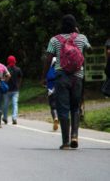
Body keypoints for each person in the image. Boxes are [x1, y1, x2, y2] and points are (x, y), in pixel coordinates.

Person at [42, 14, 90, 150]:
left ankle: (65, 142)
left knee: (63, 108)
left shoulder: (55, 40)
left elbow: (48, 58)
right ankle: (74, 135)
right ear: (75, 25)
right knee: (75, 107)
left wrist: (44, 76)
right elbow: (88, 49)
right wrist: (78, 33)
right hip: (78, 77)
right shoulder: (81, 38)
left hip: (61, 76)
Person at [3, 55, 23, 125]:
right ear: (15, 61)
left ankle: (5, 118)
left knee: (5, 105)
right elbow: (20, 78)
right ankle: (14, 118)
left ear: (8, 61)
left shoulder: (5, 69)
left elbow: (3, 78)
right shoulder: (18, 69)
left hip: (7, 90)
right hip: (15, 90)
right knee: (15, 104)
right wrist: (18, 85)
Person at [46, 57, 59, 131]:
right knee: (59, 106)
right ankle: (59, 119)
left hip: (51, 90)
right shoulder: (60, 70)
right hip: (60, 90)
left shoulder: (49, 70)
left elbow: (46, 80)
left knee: (53, 106)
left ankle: (55, 117)